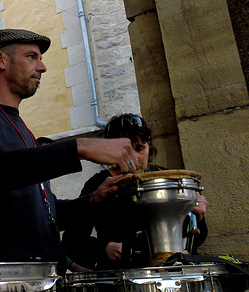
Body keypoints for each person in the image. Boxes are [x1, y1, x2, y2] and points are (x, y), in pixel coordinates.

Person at [0, 29, 140, 274]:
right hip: (4, 284)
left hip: (46, 283)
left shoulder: (26, 132)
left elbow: (46, 214)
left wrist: (92, 201)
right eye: (32, 57)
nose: (42, 67)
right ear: (1, 60)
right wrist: (80, 147)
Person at [62, 113, 208, 270]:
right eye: (125, 151)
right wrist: (103, 247)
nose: (134, 159)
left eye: (139, 149)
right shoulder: (98, 185)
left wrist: (196, 217)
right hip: (121, 276)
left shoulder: (166, 177)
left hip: (168, 272)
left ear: (149, 145)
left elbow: (196, 237)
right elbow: (72, 242)